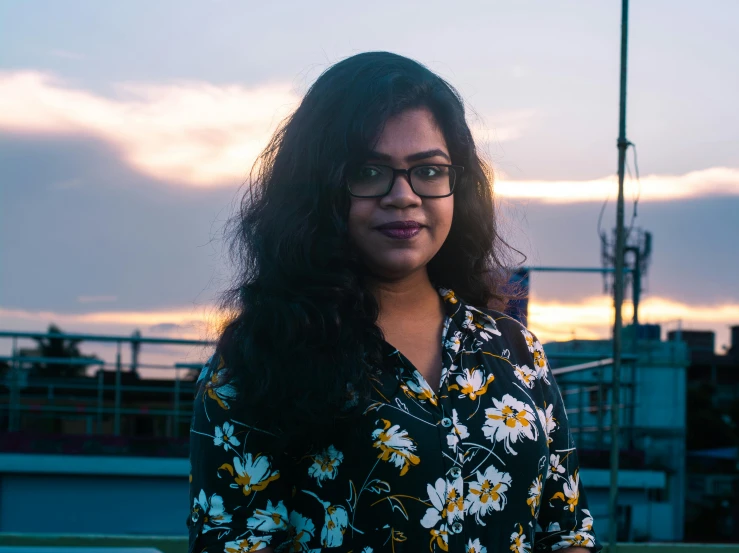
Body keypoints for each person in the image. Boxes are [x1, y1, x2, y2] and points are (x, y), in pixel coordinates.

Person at [188, 51, 601, 553]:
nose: (403, 196)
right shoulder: (256, 361)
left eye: (428, 171)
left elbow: (565, 532)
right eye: (368, 171)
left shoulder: (516, 352)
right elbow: (236, 544)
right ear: (318, 189)